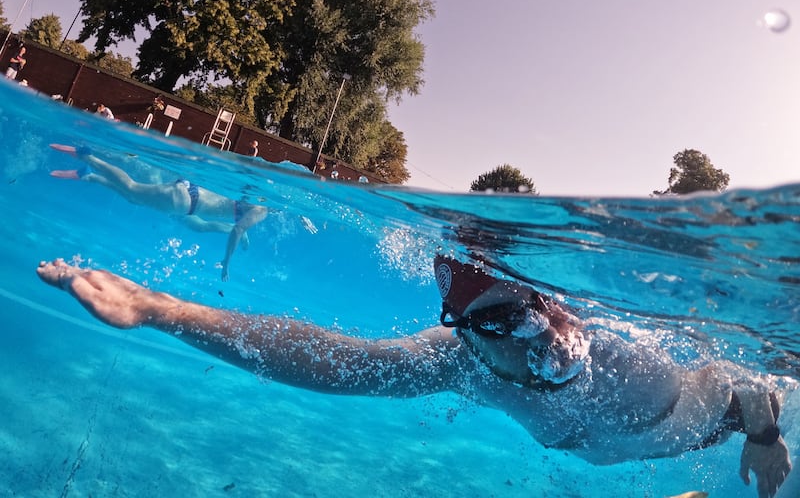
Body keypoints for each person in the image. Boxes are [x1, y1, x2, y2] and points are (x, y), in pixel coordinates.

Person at [34, 254, 792, 497]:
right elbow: (331, 360)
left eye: (539, 313)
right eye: (501, 325)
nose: (543, 341)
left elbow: (737, 382)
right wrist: (164, 310)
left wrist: (762, 434)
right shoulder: (459, 362)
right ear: (467, 334)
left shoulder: (629, 362)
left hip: (726, 422)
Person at [49, 144, 268, 280]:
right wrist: (226, 262)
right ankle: (88, 157)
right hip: (184, 202)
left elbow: (230, 226)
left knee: (135, 198)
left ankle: (89, 175)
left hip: (189, 196)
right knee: (132, 188)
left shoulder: (251, 194)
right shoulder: (262, 209)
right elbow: (238, 229)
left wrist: (241, 233)